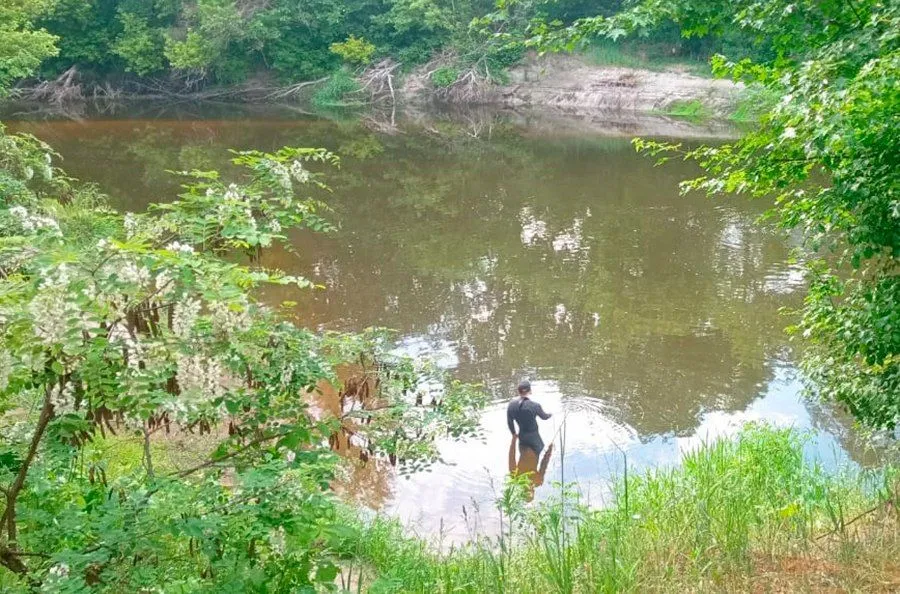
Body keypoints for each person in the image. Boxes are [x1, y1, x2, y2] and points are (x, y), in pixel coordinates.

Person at [506, 379, 551, 457]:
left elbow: (510, 422)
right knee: (541, 455)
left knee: (523, 458)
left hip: (522, 437)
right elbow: (544, 417)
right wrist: (550, 414)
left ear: (518, 391)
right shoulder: (535, 405)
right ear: (530, 391)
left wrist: (513, 434)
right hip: (534, 437)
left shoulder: (511, 405)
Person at [508, 434, 553, 502]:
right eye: (532, 492)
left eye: (528, 492)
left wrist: (513, 440)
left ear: (523, 491)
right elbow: (544, 464)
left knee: (528, 426)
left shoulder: (516, 478)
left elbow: (511, 458)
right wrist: (549, 450)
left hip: (525, 446)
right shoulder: (538, 481)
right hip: (536, 448)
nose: (530, 489)